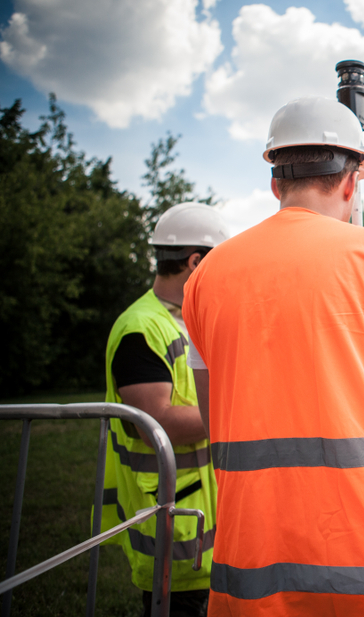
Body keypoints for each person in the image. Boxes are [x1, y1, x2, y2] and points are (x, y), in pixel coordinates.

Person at [182, 96, 364, 616]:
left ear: (275, 183)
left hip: (255, 556)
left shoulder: (206, 279)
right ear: (351, 182)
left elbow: (217, 423)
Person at [98, 202, 229, 617]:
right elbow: (157, 422)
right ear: (195, 262)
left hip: (205, 520)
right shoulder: (141, 327)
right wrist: (239, 406)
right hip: (174, 522)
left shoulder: (190, 319)